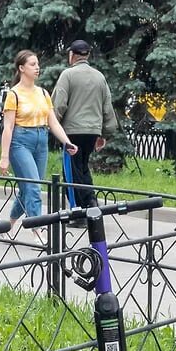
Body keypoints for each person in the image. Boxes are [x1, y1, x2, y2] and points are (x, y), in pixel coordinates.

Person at [0, 50, 78, 234]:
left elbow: (53, 122)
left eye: (37, 64)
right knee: (33, 187)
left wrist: (67, 142)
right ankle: (37, 231)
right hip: (20, 143)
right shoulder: (14, 94)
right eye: (32, 64)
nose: (37, 68)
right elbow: (8, 127)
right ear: (21, 68)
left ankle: (8, 225)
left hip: (41, 142)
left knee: (29, 188)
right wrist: (4, 157)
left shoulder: (43, 93)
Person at [51, 39, 119, 219]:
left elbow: (58, 105)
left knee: (71, 173)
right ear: (87, 55)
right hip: (92, 133)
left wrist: (53, 126)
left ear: (72, 55)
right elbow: (107, 108)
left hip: (71, 133)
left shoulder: (68, 75)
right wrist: (104, 134)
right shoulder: (99, 77)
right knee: (82, 168)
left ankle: (79, 212)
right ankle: (91, 203)